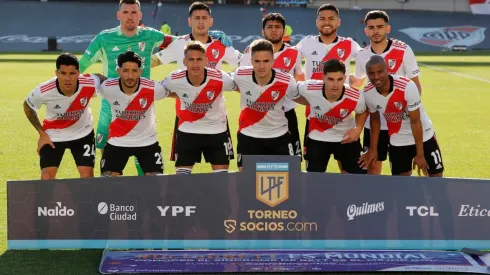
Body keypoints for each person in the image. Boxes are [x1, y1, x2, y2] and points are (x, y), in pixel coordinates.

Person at [79, 0, 232, 176]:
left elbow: (182, 42)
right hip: (110, 105)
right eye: (126, 12)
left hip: (143, 103)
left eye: (134, 12)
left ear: (140, 16)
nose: (130, 16)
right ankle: (113, 196)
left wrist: (208, 34)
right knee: (107, 153)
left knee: (144, 153)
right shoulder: (103, 38)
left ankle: (146, 197)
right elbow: (80, 66)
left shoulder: (150, 35)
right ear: (118, 15)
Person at [152, 1, 241, 164]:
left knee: (221, 169)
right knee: (184, 171)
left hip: (217, 117)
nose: (201, 22)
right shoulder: (179, 43)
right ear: (189, 21)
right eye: (197, 18)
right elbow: (156, 61)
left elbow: (243, 63)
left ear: (210, 21)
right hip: (186, 116)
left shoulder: (221, 44)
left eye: (204, 18)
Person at [352, 10, 422, 175]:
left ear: (388, 29)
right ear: (366, 31)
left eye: (380, 27)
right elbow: (359, 81)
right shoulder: (362, 55)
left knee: (402, 171)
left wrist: (410, 110)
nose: (376, 31)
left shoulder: (403, 49)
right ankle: (374, 201)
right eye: (371, 27)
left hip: (400, 122)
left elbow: (416, 84)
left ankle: (399, 201)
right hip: (374, 121)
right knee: (372, 168)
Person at [296, 3, 361, 170]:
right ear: (317, 22)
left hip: (343, 114)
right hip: (315, 116)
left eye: (331, 19)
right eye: (322, 18)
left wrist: (358, 78)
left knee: (349, 170)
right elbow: (284, 56)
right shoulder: (306, 43)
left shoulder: (349, 44)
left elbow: (368, 58)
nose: (327, 22)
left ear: (338, 22)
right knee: (315, 171)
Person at [23, 53, 106, 180]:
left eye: (72, 73)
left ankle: (86, 200)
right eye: (63, 73)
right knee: (47, 177)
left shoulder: (89, 82)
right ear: (56, 73)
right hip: (53, 135)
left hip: (83, 134)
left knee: (87, 176)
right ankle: (46, 201)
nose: (68, 78)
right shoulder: (44, 91)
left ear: (78, 73)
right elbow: (28, 106)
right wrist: (42, 134)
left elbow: (101, 78)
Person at [359, 55, 443, 177]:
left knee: (436, 179)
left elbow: (415, 121)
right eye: (371, 73)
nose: (376, 77)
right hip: (398, 140)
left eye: (380, 72)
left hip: (424, 136)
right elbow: (375, 119)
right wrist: (373, 149)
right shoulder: (368, 92)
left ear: (387, 69)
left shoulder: (407, 86)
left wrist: (420, 154)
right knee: (400, 184)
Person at [161, 41, 237, 175]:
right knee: (182, 181)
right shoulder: (174, 78)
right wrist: (179, 95)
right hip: (187, 131)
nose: (195, 64)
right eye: (191, 60)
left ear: (206, 60)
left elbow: (239, 87)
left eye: (199, 59)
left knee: (222, 181)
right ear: (184, 61)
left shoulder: (221, 78)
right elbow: (161, 91)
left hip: (217, 132)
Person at [240, 13, 304, 158]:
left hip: (286, 114)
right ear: (263, 31)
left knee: (290, 163)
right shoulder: (250, 51)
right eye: (269, 27)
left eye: (277, 27)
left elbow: (299, 78)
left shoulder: (294, 53)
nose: (274, 30)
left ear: (284, 31)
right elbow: (240, 82)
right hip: (255, 112)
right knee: (250, 164)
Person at [97, 51, 170, 176]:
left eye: (134, 71)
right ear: (118, 71)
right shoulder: (107, 88)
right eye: (125, 71)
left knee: (156, 185)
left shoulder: (154, 89)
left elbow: (176, 92)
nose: (130, 76)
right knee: (108, 185)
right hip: (117, 142)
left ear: (140, 72)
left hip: (147, 142)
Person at [232, 39, 301, 170]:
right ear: (251, 61)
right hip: (248, 136)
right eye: (257, 61)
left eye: (266, 61)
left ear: (273, 61)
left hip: (279, 137)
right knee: (246, 182)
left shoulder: (286, 80)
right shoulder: (240, 75)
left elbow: (299, 97)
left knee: (283, 183)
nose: (261, 66)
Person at [294, 59, 367, 174]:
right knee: (314, 178)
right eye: (331, 79)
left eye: (339, 79)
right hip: (318, 137)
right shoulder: (309, 87)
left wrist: (358, 129)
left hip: (346, 138)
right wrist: (308, 101)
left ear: (345, 78)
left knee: (358, 177)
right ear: (323, 78)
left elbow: (362, 111)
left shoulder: (356, 96)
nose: (335, 84)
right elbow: (291, 91)